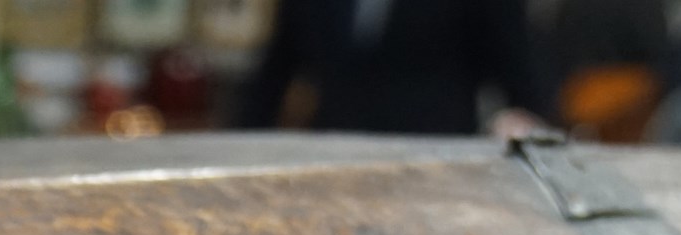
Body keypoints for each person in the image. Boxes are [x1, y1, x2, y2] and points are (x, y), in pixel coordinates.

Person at [233, 0, 556, 134]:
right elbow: (271, 78)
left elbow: (521, 77)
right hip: (335, 151)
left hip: (434, 160)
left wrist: (525, 123)